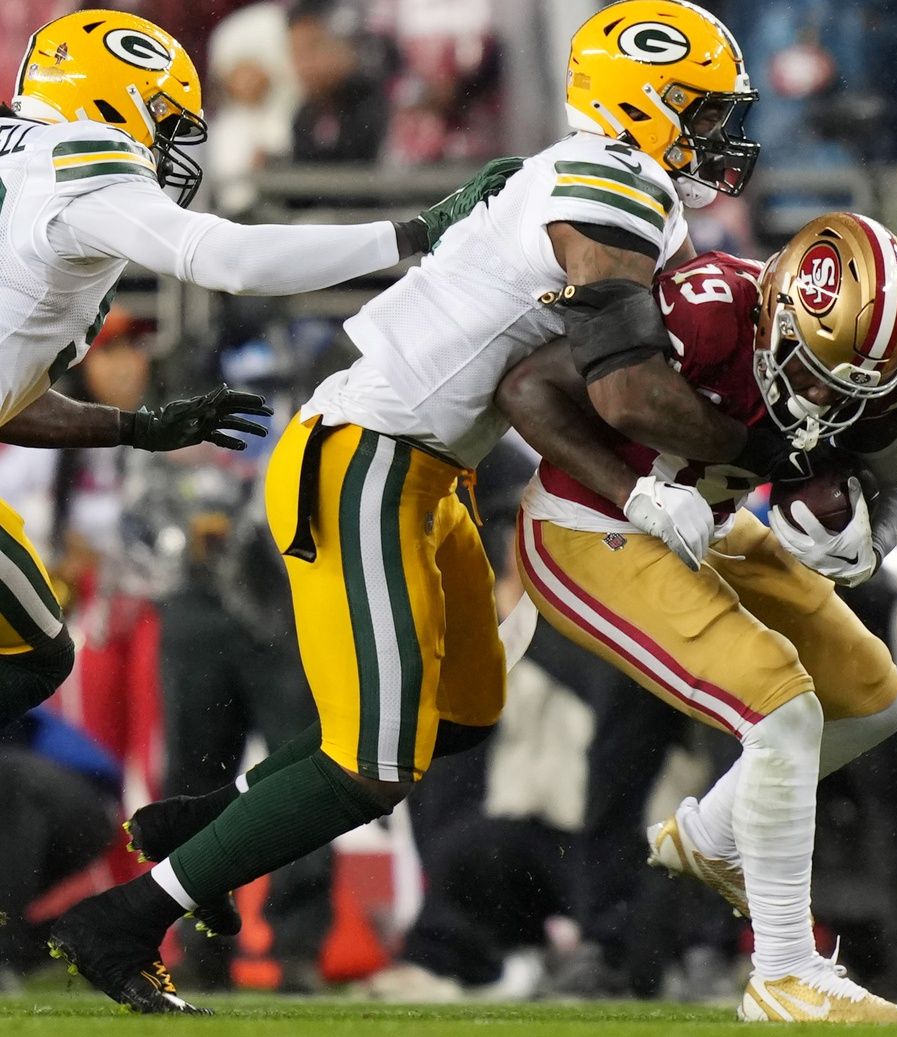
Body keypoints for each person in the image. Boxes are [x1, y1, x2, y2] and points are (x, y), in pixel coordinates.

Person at [48, 0, 775, 1015]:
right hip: (368, 460)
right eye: (696, 109)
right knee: (371, 761)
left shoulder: (590, 176)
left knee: (464, 716)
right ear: (640, 103)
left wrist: (646, 478)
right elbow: (620, 385)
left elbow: (534, 389)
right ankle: (126, 915)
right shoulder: (611, 184)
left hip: (430, 472)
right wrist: (764, 446)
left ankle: (209, 823)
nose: (714, 134)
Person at [0, 6, 502, 735]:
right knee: (36, 653)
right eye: (162, 120)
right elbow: (227, 259)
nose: (170, 145)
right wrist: (414, 232)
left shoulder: (22, 154)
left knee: (35, 647)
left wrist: (131, 427)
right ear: (107, 98)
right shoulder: (80, 163)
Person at [499, 212, 897, 1021]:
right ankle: (782, 972)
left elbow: (887, 465)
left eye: (847, 386)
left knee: (875, 699)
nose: (821, 400)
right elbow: (528, 388)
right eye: (811, 373)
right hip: (591, 525)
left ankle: (709, 835)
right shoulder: (705, 313)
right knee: (782, 702)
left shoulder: (871, 366)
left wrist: (874, 542)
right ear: (774, 310)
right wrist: (634, 489)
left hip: (712, 519)